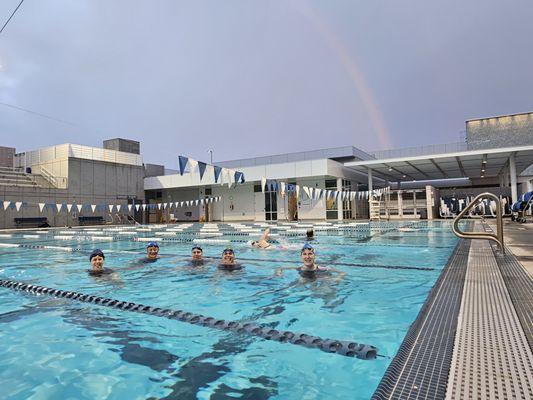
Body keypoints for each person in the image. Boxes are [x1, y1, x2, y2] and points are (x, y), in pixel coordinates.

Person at [275, 244, 344, 281]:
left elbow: (342, 272)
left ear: (314, 256)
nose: (307, 257)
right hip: (307, 280)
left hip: (318, 279)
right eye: (304, 254)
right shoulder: (299, 268)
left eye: (310, 254)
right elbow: (280, 268)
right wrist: (279, 274)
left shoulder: (321, 268)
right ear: (301, 256)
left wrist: (338, 278)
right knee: (301, 281)